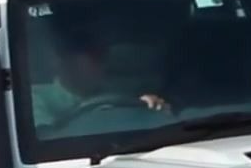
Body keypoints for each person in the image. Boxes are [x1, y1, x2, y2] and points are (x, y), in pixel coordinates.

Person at [30, 32, 168, 130]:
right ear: (64, 61)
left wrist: (150, 105)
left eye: (102, 57)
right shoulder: (35, 98)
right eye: (92, 57)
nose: (101, 65)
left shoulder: (119, 92)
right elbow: (48, 137)